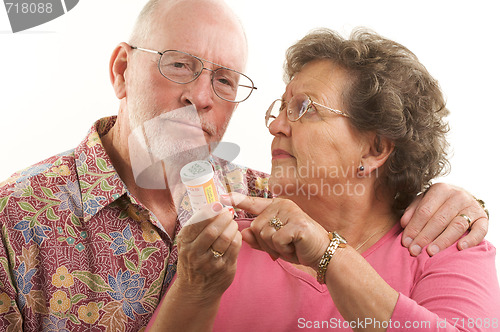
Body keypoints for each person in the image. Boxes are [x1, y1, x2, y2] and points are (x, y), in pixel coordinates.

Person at [0, 0, 490, 330]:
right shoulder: (17, 218)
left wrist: (460, 201)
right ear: (122, 71)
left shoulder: (263, 208)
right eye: (178, 64)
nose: (199, 97)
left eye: (225, 81)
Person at [147, 28, 499, 331]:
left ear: (375, 149)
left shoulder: (445, 246)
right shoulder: (226, 248)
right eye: (280, 109)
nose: (276, 126)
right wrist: (194, 289)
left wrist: (327, 253)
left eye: (305, 109)